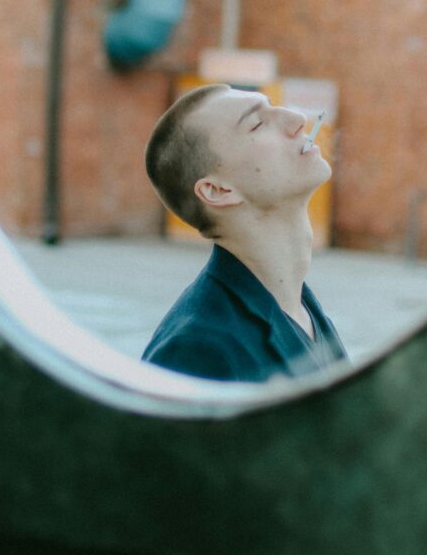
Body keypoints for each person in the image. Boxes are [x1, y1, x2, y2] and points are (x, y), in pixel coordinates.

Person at [141, 82, 348, 382]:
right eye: (258, 123)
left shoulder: (300, 307)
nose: (297, 121)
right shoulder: (196, 351)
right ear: (218, 190)